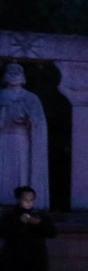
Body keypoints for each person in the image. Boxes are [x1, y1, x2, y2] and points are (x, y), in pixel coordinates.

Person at [0, 63, 49, 208]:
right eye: (11, 72)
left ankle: (21, 202)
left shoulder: (30, 98)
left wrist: (27, 120)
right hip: (2, 138)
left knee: (21, 171)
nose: (14, 75)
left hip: (21, 139)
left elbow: (38, 122)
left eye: (17, 72)